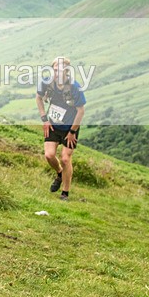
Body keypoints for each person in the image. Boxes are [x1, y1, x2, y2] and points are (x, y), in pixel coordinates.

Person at [36, 57, 86, 201]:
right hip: (53, 123)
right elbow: (38, 98)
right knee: (49, 155)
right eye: (55, 69)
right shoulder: (47, 82)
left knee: (65, 158)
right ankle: (59, 173)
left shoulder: (74, 87)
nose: (58, 73)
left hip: (70, 126)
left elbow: (81, 111)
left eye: (61, 70)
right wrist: (44, 119)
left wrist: (72, 132)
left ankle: (65, 192)